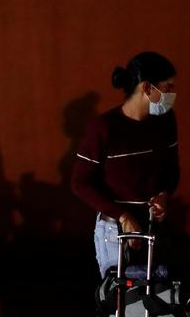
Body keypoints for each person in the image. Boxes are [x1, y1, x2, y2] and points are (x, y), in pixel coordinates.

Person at [71, 52, 180, 278]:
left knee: (159, 295)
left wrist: (164, 194)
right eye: (167, 87)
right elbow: (80, 183)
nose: (172, 93)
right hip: (115, 232)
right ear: (147, 87)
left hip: (154, 229)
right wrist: (122, 216)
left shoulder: (166, 121)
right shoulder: (104, 128)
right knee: (124, 296)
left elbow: (172, 170)